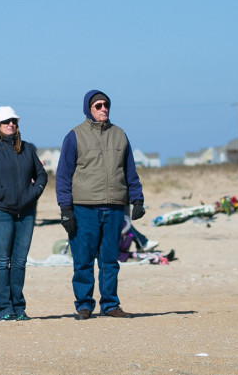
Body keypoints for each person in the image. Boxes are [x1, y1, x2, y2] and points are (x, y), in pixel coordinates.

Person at [55, 89, 145, 320]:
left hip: (114, 207)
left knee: (110, 260)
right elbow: (63, 176)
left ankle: (110, 305)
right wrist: (66, 209)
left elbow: (130, 170)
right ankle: (84, 305)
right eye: (98, 105)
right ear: (89, 108)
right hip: (83, 208)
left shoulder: (120, 135)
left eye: (106, 105)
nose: (103, 109)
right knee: (83, 260)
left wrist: (137, 199)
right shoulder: (74, 136)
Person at [0, 106, 48, 321]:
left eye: (14, 121)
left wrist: (32, 194)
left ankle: (18, 308)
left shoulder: (26, 148)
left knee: (19, 262)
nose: (11, 124)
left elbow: (41, 176)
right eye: (6, 121)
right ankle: (4, 310)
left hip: (25, 211)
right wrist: (4, 194)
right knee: (1, 260)